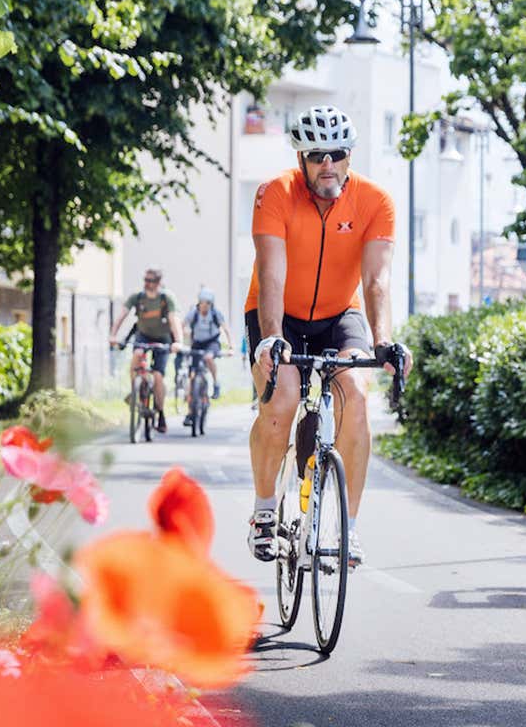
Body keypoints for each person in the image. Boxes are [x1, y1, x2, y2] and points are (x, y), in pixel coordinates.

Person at [246, 105, 413, 568]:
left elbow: (377, 280)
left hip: (341, 314)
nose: (328, 165)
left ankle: (348, 530)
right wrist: (271, 339)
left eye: (336, 154)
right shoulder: (275, 193)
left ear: (348, 156)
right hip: (278, 315)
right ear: (302, 157)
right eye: (317, 155)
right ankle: (264, 512)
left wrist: (384, 343)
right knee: (283, 397)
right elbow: (271, 275)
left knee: (356, 394)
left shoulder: (375, 201)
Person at [109, 268, 184, 433]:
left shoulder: (166, 298)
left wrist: (178, 341)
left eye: (150, 280)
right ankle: (135, 393)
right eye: (145, 279)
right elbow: (122, 315)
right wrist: (113, 334)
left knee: (157, 376)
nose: (147, 283)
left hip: (163, 338)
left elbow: (174, 320)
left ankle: (161, 412)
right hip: (143, 335)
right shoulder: (137, 297)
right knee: (136, 355)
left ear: (157, 282)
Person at [180, 289, 234, 426]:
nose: (205, 306)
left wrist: (231, 346)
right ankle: (190, 412)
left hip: (212, 342)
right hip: (197, 343)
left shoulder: (215, 314)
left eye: (208, 303)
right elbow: (181, 325)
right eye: (203, 303)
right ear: (199, 303)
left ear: (211, 304)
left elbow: (226, 329)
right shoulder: (194, 313)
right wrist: (180, 341)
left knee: (209, 358)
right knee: (192, 377)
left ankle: (216, 384)